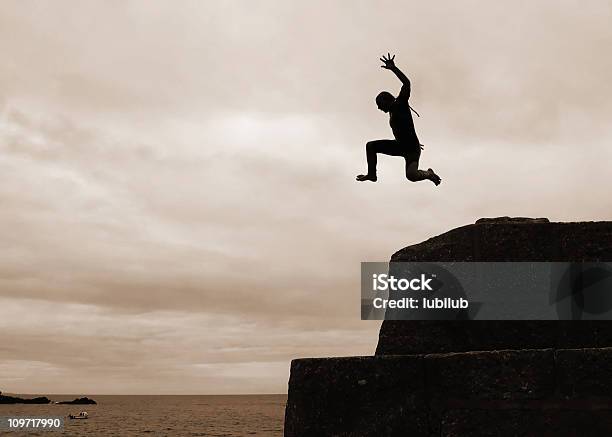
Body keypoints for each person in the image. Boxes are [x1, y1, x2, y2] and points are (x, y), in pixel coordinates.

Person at [357, 53, 441, 185]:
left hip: (412, 149)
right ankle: (372, 175)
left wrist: (393, 68)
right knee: (371, 146)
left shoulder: (400, 103)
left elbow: (407, 83)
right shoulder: (391, 111)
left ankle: (429, 174)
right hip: (401, 145)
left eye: (380, 105)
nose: (379, 109)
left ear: (387, 99)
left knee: (411, 176)